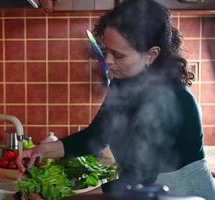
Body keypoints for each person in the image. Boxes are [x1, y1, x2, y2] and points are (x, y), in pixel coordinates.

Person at [16, 0, 215, 199]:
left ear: (151, 55)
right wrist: (43, 150)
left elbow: (139, 177)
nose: (108, 60)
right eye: (107, 50)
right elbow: (95, 136)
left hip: (184, 196)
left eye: (118, 55)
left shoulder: (172, 100)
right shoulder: (123, 83)